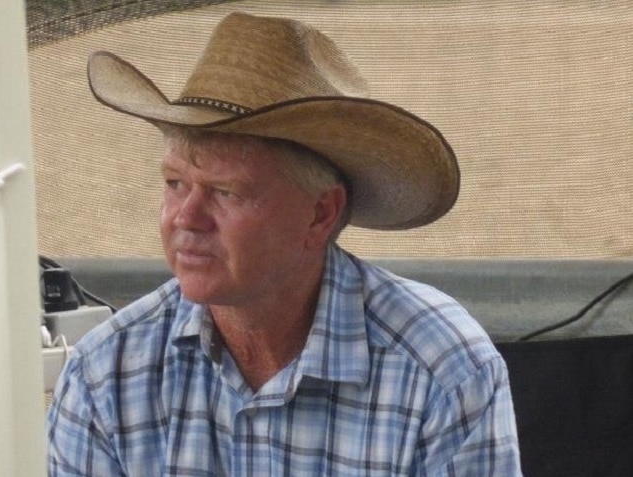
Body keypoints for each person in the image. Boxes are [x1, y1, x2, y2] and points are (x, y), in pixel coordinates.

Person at [47, 11, 522, 476]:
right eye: (175, 183)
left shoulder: (443, 369)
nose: (186, 218)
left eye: (226, 192)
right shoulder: (104, 375)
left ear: (320, 214)